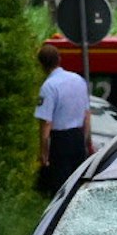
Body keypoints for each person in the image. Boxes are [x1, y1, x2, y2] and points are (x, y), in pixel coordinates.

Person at [34, 44, 90, 196]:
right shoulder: (78, 80)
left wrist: (44, 153)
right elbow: (86, 114)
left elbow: (46, 123)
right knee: (77, 185)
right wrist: (85, 142)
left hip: (60, 141)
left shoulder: (49, 86)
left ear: (41, 64)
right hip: (78, 137)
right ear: (59, 59)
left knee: (61, 187)